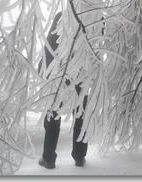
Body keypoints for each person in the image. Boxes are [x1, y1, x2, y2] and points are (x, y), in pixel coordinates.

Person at [37, 12, 89, 169]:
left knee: (53, 114)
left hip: (60, 74)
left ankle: (49, 158)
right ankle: (79, 156)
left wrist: (43, 69)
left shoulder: (62, 15)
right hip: (82, 74)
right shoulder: (94, 16)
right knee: (81, 114)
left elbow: (50, 44)